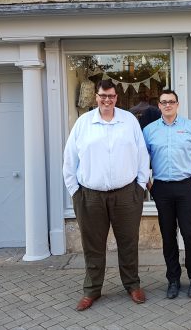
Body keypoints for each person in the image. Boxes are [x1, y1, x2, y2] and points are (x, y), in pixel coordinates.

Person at [63, 79, 150, 311]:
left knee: (128, 242)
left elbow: (142, 154)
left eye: (111, 96)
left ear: (116, 98)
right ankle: (92, 290)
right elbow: (70, 160)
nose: (107, 100)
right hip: (90, 196)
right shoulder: (83, 123)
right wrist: (75, 192)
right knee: (93, 245)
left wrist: (140, 186)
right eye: (103, 96)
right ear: (96, 98)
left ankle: (132, 285)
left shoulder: (129, 121)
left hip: (126, 194)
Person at [143, 89, 191, 299]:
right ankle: (173, 279)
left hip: (186, 187)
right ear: (159, 105)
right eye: (163, 102)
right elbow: (141, 160)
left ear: (177, 104)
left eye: (171, 101)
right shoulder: (150, 130)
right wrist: (149, 185)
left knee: (190, 234)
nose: (168, 105)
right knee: (168, 235)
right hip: (161, 188)